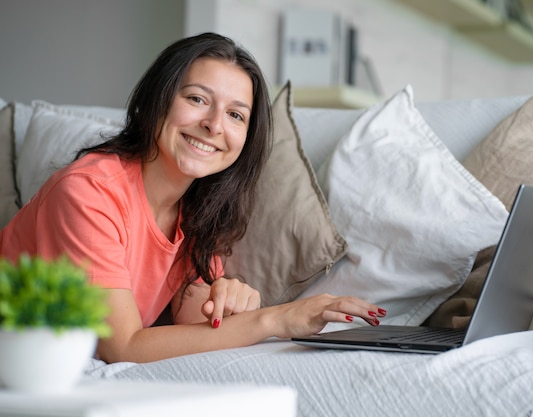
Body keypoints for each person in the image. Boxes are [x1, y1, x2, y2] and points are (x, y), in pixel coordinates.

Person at [0, 32, 385, 363]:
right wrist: (276, 319)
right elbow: (122, 346)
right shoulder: (88, 192)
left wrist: (227, 299)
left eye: (236, 115)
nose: (214, 125)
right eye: (198, 99)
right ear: (157, 100)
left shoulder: (198, 208)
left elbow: (194, 319)